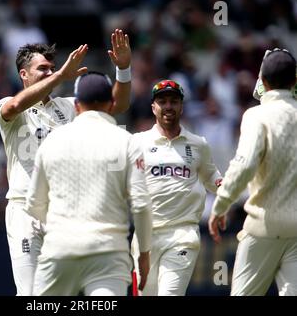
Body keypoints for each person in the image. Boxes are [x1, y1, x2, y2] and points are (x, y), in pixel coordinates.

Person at [0, 29, 133, 295]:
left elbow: (117, 106)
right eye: (42, 69)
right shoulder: (8, 105)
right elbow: (12, 108)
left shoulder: (69, 106)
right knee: (31, 294)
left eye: (52, 69)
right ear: (23, 74)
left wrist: (124, 69)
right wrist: (61, 76)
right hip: (24, 210)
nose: (49, 73)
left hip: (64, 211)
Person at [24, 72, 152, 296]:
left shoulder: (53, 140)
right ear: (112, 104)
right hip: (108, 253)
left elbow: (34, 203)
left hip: (59, 249)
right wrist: (144, 253)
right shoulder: (127, 141)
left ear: (76, 105)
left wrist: (61, 227)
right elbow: (141, 205)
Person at [209, 49, 297, 296]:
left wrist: (221, 205)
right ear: (295, 81)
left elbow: (245, 165)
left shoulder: (256, 115)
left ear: (264, 81)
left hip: (263, 227)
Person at [131, 79, 222, 296]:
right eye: (162, 101)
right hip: (145, 238)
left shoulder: (198, 144)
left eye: (174, 101)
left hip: (183, 234)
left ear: (182, 106)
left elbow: (213, 178)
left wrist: (228, 191)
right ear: (154, 107)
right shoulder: (137, 142)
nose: (168, 106)